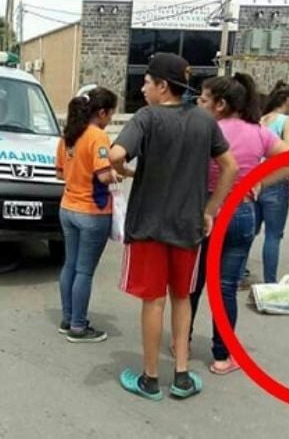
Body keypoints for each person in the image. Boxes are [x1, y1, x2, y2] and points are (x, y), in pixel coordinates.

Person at [109, 53, 239, 401]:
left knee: (153, 302)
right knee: (182, 298)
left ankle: (150, 379)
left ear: (162, 86)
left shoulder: (146, 117)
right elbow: (230, 166)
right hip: (189, 226)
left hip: (149, 226)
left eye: (147, 82)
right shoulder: (204, 120)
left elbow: (115, 154)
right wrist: (210, 208)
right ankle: (181, 375)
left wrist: (121, 171)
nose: (142, 87)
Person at [189, 73, 289, 375]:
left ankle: (181, 344)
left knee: (194, 283)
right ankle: (223, 356)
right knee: (225, 287)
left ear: (221, 104)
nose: (200, 103)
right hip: (241, 212)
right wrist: (260, 182)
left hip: (205, 211)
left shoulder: (206, 130)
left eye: (204, 99)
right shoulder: (259, 132)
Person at [55, 87, 129, 343]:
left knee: (70, 265)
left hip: (68, 207)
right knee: (85, 271)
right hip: (91, 212)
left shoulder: (69, 136)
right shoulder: (97, 136)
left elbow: (60, 173)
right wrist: (116, 175)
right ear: (101, 112)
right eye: (110, 114)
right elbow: (102, 174)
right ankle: (78, 326)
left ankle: (67, 318)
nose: (110, 119)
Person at [254, 81, 289, 283]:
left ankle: (236, 275)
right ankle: (270, 282)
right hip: (276, 180)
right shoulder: (285, 121)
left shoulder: (261, 120)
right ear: (287, 100)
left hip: (255, 180)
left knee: (250, 232)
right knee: (273, 235)